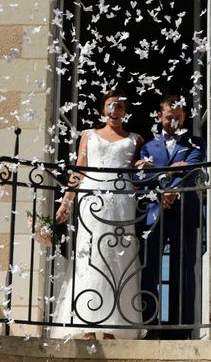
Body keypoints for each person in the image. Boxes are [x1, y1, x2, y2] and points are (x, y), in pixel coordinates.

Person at [49, 89, 145, 340]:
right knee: (89, 254)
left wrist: (143, 170)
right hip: (92, 198)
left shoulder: (136, 139)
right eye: (111, 105)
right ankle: (88, 326)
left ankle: (113, 327)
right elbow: (79, 170)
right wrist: (65, 203)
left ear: (126, 111)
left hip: (122, 201)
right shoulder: (88, 136)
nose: (115, 110)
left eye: (121, 106)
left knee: (118, 258)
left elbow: (136, 179)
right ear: (104, 110)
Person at [135, 95, 205, 339]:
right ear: (159, 116)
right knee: (150, 269)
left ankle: (182, 329)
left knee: (184, 270)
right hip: (154, 214)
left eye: (178, 117)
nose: (173, 122)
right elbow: (139, 178)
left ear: (184, 117)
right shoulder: (147, 147)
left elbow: (192, 168)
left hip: (185, 213)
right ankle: (150, 326)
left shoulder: (195, 143)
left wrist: (169, 186)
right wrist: (167, 183)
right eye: (168, 117)